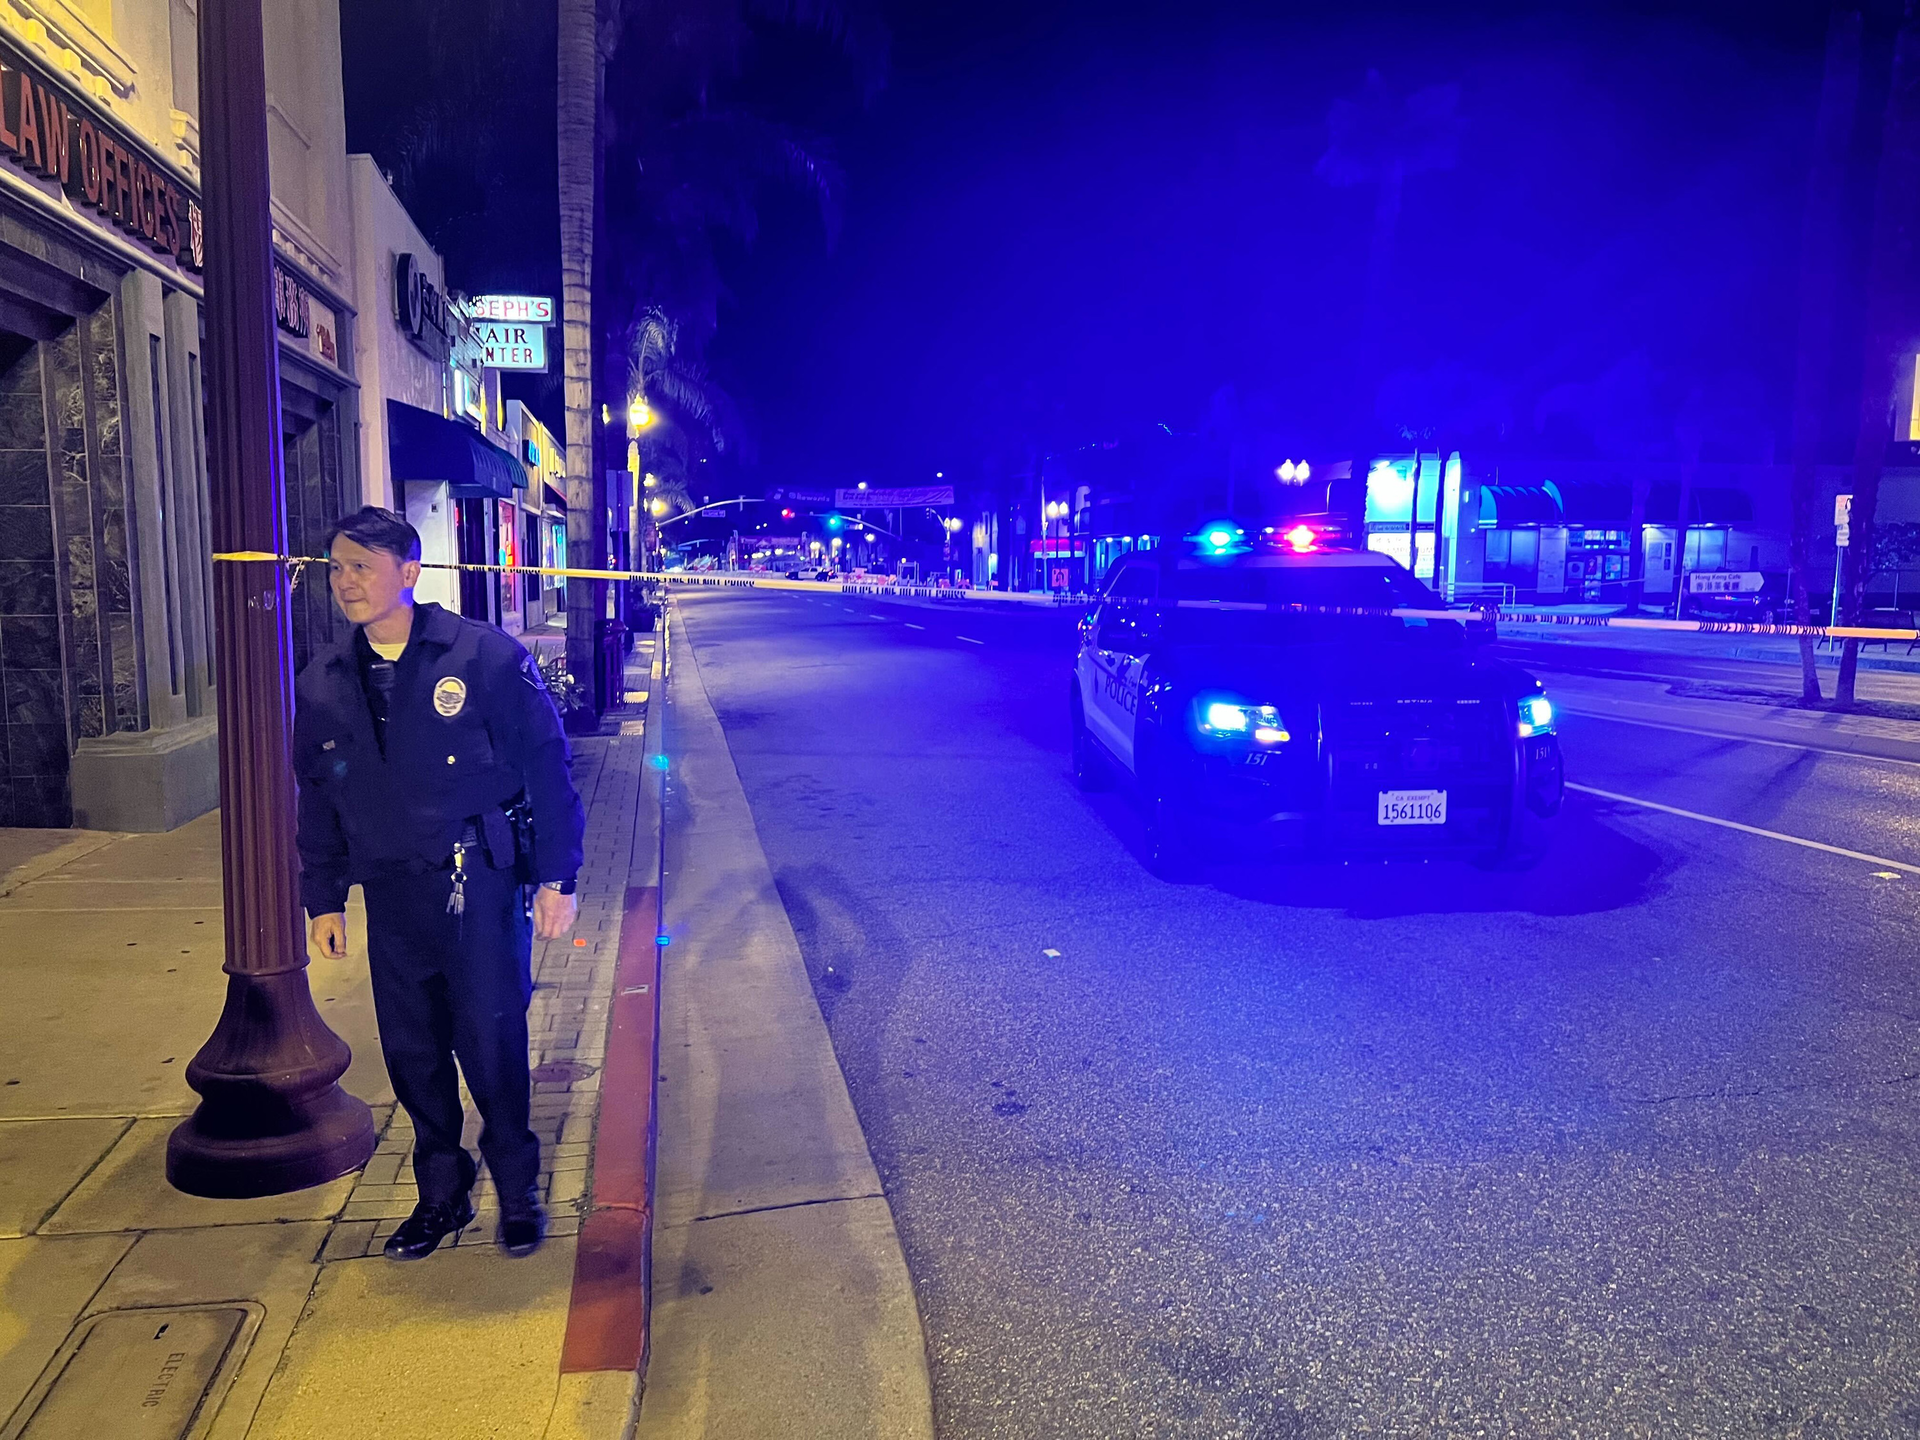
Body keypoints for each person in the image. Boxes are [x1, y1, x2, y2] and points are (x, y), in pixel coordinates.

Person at [295, 506, 586, 1261]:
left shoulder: (482, 656)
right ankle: (441, 1196)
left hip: (477, 883)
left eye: (362, 566)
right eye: (337, 568)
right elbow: (319, 793)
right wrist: (322, 896)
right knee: (414, 1052)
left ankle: (517, 1187)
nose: (347, 582)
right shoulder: (326, 679)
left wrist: (558, 875)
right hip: (391, 892)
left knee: (489, 1040)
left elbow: (547, 768)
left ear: (409, 572)